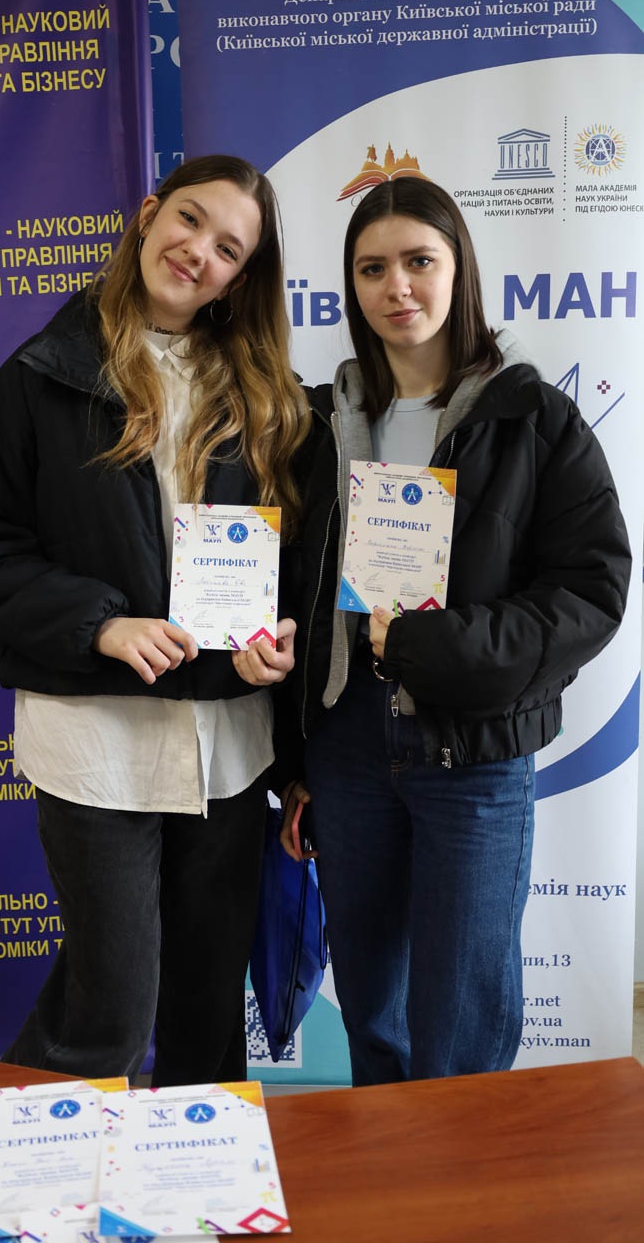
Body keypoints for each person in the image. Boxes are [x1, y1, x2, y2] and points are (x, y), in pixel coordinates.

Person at [0, 154, 310, 1086]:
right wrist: (101, 624)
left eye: (229, 249)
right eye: (189, 220)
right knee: (108, 1011)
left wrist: (276, 638)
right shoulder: (42, 376)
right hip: (96, 742)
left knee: (207, 1008)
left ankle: (205, 1169)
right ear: (148, 214)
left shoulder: (264, 395)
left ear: (241, 278)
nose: (198, 252)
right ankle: (28, 1161)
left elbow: (294, 559)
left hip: (226, 744)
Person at [279, 176, 630, 1086]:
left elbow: (591, 592)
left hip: (471, 753)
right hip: (347, 753)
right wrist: (293, 758)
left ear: (458, 270)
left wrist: (436, 650)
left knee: (462, 1027)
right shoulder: (315, 425)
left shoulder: (532, 418)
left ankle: (461, 1176)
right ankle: (390, 1169)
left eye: (418, 261)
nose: (396, 286)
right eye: (371, 268)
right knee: (373, 1010)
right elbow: (290, 594)